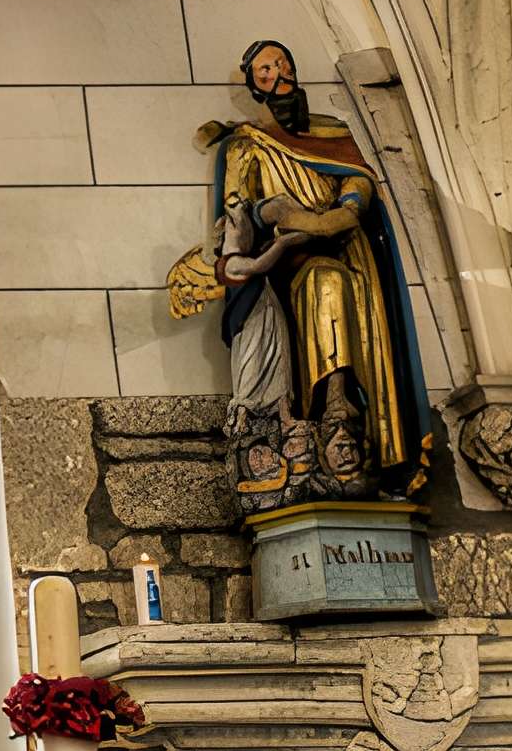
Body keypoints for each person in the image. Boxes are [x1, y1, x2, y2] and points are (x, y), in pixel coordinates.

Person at [168, 41, 430, 503]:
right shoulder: (248, 145)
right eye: (267, 69)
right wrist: (277, 223)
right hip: (285, 265)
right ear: (255, 83)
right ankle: (331, 407)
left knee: (336, 277)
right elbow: (238, 212)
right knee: (321, 281)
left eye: (283, 62)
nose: (280, 72)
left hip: (345, 247)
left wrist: (338, 214)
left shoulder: (331, 133)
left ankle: (354, 413)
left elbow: (356, 182)